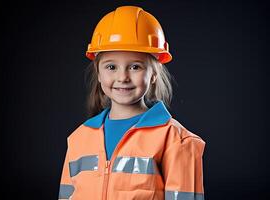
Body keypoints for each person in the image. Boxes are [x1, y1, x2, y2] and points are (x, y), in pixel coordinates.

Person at [58, 5, 205, 200]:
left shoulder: (177, 141)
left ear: (153, 74)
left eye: (135, 67)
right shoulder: (78, 139)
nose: (123, 77)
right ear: (98, 73)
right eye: (111, 66)